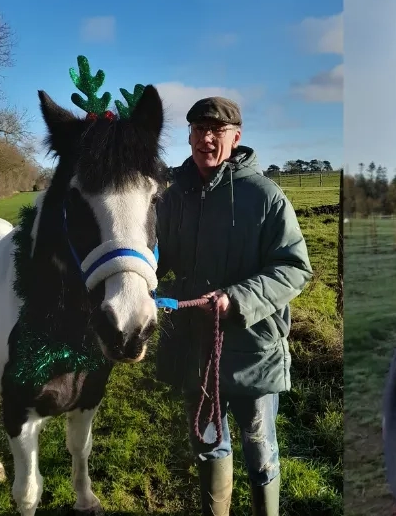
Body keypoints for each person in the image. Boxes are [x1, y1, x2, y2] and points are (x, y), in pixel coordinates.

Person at [153, 96, 313, 516]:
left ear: (235, 137)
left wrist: (238, 299)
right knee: (208, 446)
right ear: (188, 135)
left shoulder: (264, 196)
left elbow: (294, 266)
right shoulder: (171, 200)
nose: (207, 139)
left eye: (217, 131)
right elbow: (156, 257)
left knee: (260, 449)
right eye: (199, 130)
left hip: (252, 349)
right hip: (194, 348)